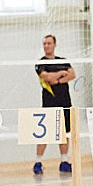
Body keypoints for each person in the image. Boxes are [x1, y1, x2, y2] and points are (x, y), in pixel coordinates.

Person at [33, 35, 73, 175]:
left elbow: (72, 74)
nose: (46, 46)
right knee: (44, 134)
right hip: (49, 102)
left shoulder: (63, 61)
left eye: (49, 43)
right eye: (44, 43)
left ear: (54, 44)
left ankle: (64, 162)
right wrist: (61, 74)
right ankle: (38, 162)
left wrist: (57, 80)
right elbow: (46, 77)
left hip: (65, 102)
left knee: (65, 132)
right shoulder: (40, 63)